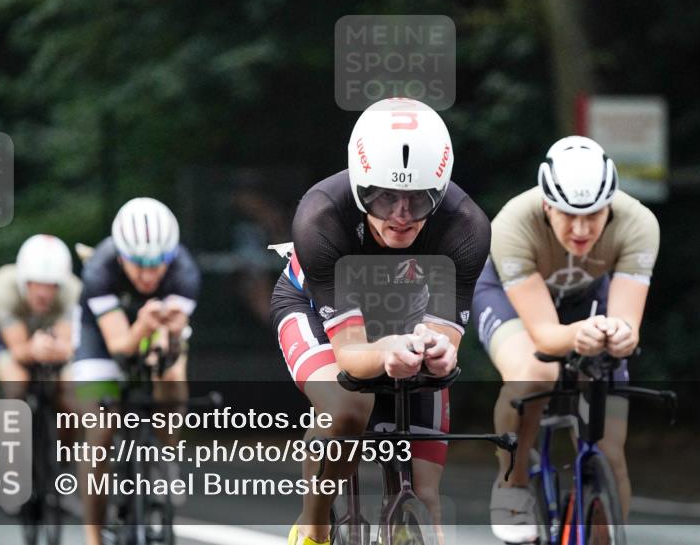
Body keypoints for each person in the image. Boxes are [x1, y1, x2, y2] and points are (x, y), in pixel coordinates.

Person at [271, 98, 491, 545]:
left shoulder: (466, 226)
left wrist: (440, 351)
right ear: (359, 184)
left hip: (406, 319)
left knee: (425, 496)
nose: (401, 216)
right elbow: (352, 356)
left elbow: (444, 338)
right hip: (316, 311)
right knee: (349, 410)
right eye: (384, 196)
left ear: (440, 189)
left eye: (419, 199)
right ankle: (313, 528)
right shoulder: (320, 216)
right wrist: (386, 349)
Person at [473, 136, 660, 544]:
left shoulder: (639, 224)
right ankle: (513, 483)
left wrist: (620, 336)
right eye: (568, 215)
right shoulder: (512, 224)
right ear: (546, 205)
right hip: (507, 298)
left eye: (594, 215)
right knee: (535, 372)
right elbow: (545, 336)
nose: (581, 229)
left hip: (586, 299)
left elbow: (628, 326)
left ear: (611, 205)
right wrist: (580, 334)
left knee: (610, 454)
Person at [72, 196, 201, 545]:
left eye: (158, 265)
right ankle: (93, 537)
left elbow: (167, 347)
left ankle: (167, 456)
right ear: (120, 256)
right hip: (99, 338)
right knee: (99, 431)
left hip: (154, 329)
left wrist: (163, 340)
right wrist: (143, 324)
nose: (148, 275)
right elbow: (119, 347)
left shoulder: (185, 271)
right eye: (139, 264)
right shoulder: (99, 269)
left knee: (171, 373)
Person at [0, 234, 81, 395]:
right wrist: (32, 350)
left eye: (51, 285)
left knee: (72, 387)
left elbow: (67, 347)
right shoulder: (3, 287)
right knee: (15, 383)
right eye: (35, 284)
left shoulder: (74, 290)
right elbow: (17, 350)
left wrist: (55, 349)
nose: (42, 293)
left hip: (52, 344)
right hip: (16, 345)